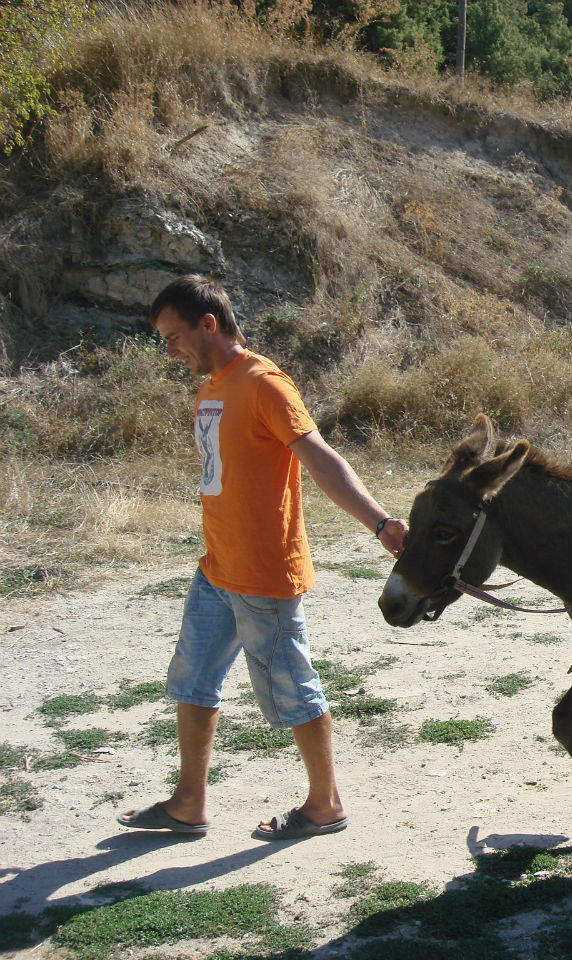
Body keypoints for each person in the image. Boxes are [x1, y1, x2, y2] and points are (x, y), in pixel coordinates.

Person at [117, 275, 408, 840]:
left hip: (263, 573)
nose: (169, 350)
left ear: (209, 324)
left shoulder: (264, 383)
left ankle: (325, 804)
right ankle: (188, 803)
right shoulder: (212, 386)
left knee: (291, 686)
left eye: (175, 336)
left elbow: (321, 458)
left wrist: (378, 521)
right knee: (192, 680)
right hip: (218, 568)